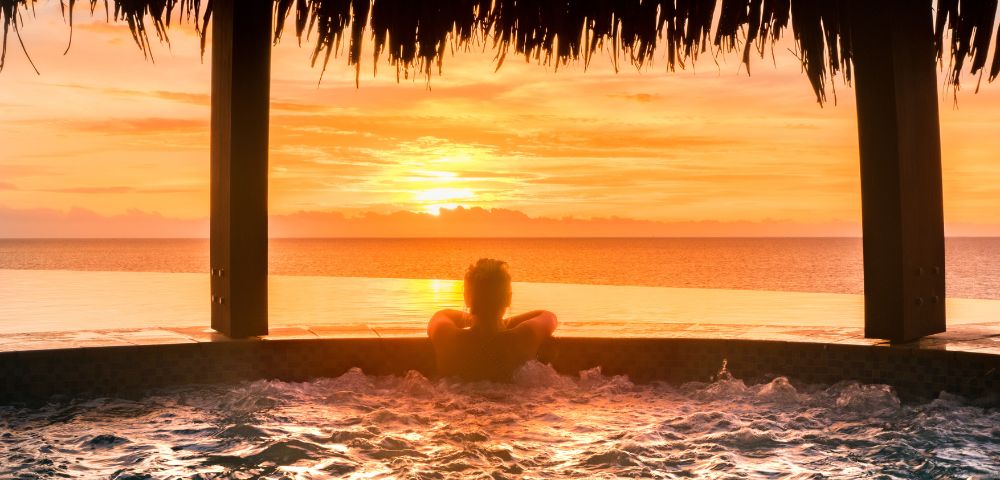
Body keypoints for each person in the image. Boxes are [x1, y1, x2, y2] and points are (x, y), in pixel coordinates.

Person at [427, 258, 558, 381]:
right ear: (508, 298)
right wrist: (503, 322)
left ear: (467, 298)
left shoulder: (446, 336)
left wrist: (474, 317)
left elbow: (442, 314)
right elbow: (548, 316)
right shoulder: (524, 336)